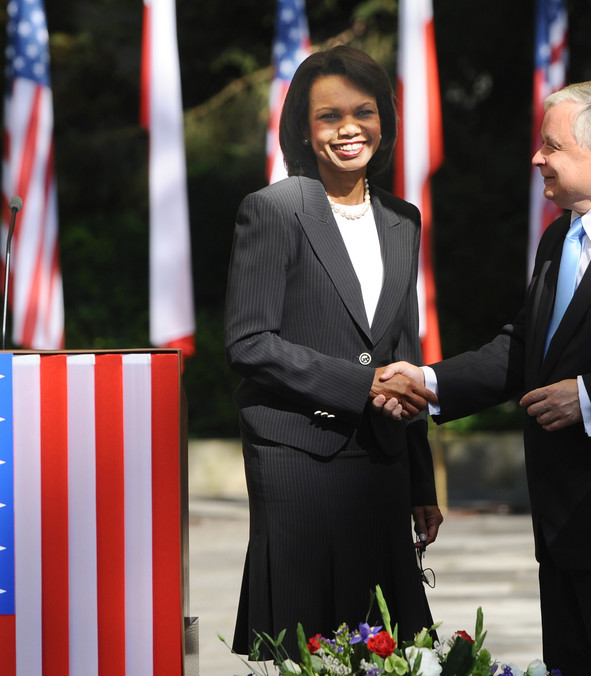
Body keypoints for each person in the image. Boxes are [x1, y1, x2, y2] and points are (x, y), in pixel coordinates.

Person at [376, 80, 591, 674]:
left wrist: (590, 396)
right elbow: (524, 348)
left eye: (550, 146)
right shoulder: (557, 237)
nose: (536, 158)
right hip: (561, 533)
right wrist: (429, 383)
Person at [226, 45, 443, 657]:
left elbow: (403, 352)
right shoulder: (273, 211)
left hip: (382, 463)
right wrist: (362, 385)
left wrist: (421, 482)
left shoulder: (404, 219)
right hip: (299, 462)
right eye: (329, 116)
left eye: (364, 111)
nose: (349, 128)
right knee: (310, 652)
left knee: (386, 651)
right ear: (301, 126)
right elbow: (249, 343)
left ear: (385, 121)